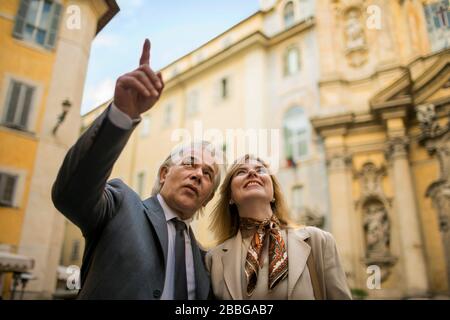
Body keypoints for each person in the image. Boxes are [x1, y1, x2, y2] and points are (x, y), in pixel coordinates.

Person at [52, 39, 220, 299]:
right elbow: (71, 193)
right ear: (164, 174)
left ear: (208, 197)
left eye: (208, 173)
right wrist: (120, 116)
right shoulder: (120, 206)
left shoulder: (207, 262)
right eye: (190, 164)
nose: (198, 174)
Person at [206, 154, 352, 300]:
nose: (252, 173)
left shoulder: (318, 241)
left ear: (273, 193)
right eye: (241, 172)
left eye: (261, 170)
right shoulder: (215, 259)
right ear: (230, 197)